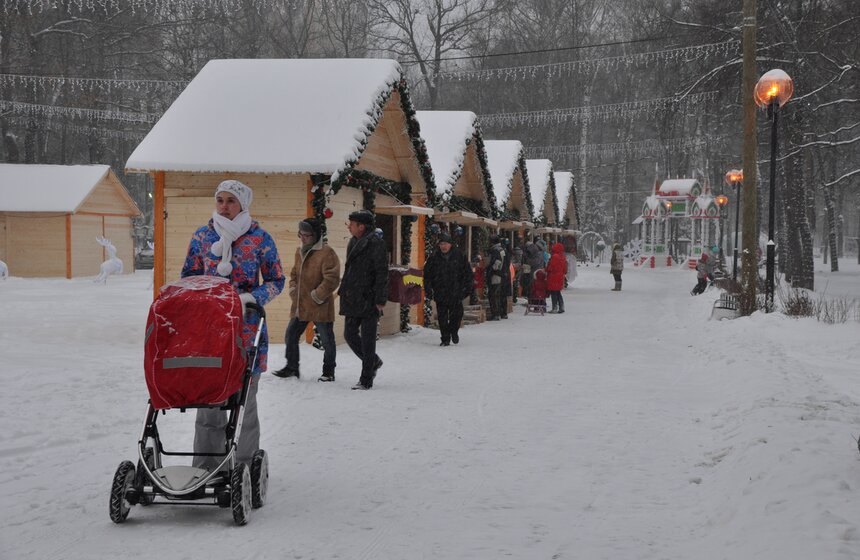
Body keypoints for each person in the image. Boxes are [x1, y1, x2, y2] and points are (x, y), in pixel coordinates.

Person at [181, 180, 285, 469]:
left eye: (231, 201)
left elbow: (277, 281)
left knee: (244, 404)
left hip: (247, 330)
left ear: (243, 205)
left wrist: (251, 298)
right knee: (208, 404)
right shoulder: (202, 237)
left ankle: (244, 467)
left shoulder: (259, 238)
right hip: (209, 331)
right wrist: (198, 299)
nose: (224, 206)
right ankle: (206, 469)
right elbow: (189, 276)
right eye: (220, 200)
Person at [272, 218, 341, 382]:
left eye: (307, 235)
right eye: (300, 234)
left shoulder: (327, 252)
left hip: (320, 305)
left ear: (316, 235)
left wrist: (317, 295)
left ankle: (328, 372)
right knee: (291, 334)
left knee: (327, 341)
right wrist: (293, 289)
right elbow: (295, 274)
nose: (302, 238)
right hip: (301, 305)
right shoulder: (300, 251)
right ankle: (292, 367)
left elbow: (332, 278)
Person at [339, 209, 388, 390]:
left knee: (368, 340)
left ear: (362, 226)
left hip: (369, 297)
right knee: (349, 334)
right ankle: (373, 361)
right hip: (352, 296)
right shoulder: (353, 241)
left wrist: (380, 298)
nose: (349, 227)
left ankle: (366, 379)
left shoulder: (376, 243)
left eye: (351, 224)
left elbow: (382, 273)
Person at [424, 232, 472, 346]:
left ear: (450, 244)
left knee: (457, 315)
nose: (443, 246)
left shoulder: (460, 256)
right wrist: (428, 288)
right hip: (440, 291)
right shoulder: (434, 257)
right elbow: (427, 275)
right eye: (441, 244)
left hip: (456, 292)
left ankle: (453, 331)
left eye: (445, 244)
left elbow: (468, 274)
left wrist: (466, 290)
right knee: (442, 317)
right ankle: (445, 338)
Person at [485, 234, 506, 321]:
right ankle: (500, 313)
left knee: (493, 295)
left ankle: (496, 314)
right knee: (498, 295)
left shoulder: (495, 251)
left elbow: (496, 263)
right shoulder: (502, 250)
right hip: (501, 275)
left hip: (496, 275)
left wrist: (490, 270)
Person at [546, 242, 568, 313]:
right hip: (560, 277)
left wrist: (547, 269)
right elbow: (565, 269)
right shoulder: (563, 257)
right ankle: (561, 306)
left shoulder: (555, 256)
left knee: (553, 293)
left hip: (553, 277)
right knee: (558, 292)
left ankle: (554, 307)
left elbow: (551, 268)